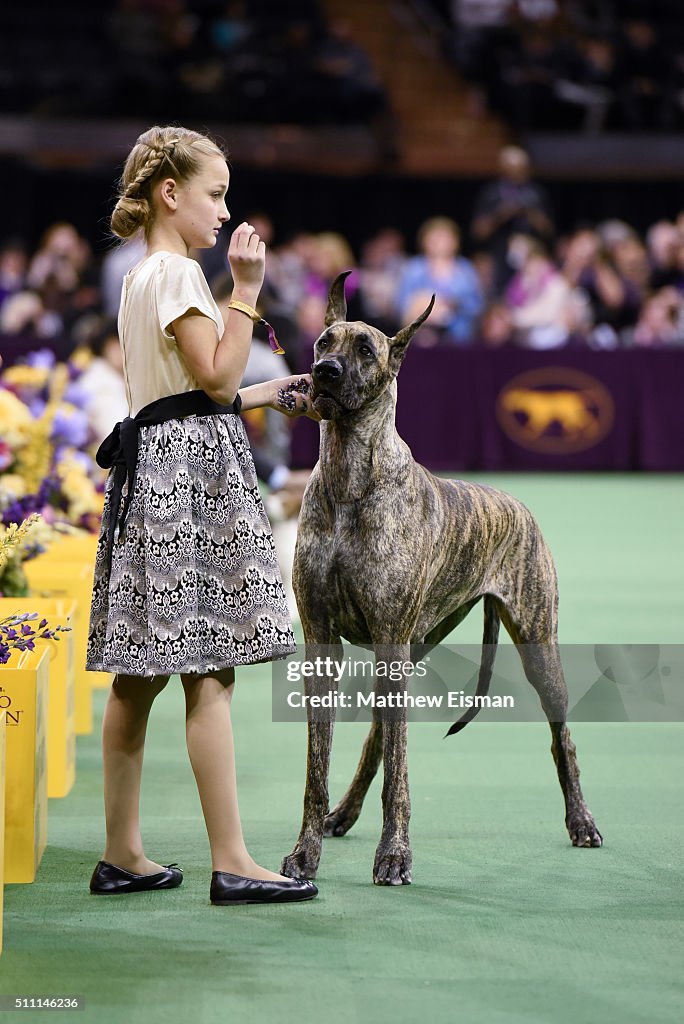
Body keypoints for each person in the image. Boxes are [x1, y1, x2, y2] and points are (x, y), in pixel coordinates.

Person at [85, 125, 319, 906]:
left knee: (138, 677)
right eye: (215, 194)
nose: (225, 212)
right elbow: (219, 381)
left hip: (155, 465)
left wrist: (272, 391)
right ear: (170, 193)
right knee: (209, 670)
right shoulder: (185, 275)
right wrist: (245, 291)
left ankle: (123, 853)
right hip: (190, 480)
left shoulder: (138, 275)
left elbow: (190, 392)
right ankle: (234, 861)